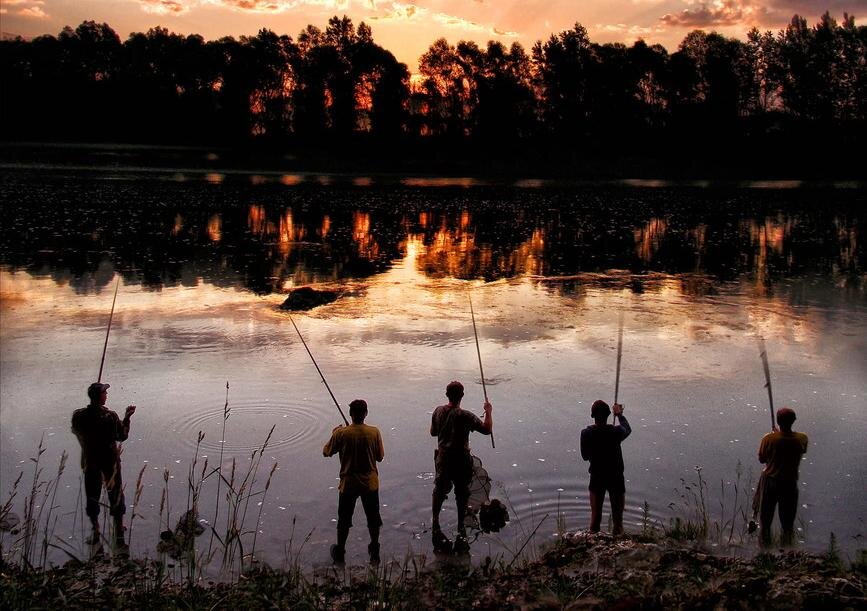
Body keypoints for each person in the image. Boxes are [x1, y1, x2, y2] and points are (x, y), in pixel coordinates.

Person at [71, 382, 136, 547]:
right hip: (109, 462)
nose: (107, 395)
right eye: (104, 393)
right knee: (115, 493)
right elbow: (122, 436)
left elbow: (76, 430)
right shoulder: (110, 416)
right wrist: (127, 417)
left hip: (90, 461)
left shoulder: (78, 415)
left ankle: (96, 529)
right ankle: (119, 528)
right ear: (99, 396)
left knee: (92, 494)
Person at [430, 380, 492, 552]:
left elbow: (433, 432)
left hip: (443, 458)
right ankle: (460, 525)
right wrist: (488, 412)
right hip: (461, 459)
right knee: (461, 492)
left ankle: (435, 521)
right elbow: (487, 429)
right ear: (462, 395)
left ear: (446, 395)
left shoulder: (438, 411)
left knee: (439, 489)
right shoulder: (465, 416)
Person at [323, 399, 385, 564]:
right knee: (373, 518)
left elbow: (326, 451)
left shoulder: (341, 434)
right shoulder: (374, 432)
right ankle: (374, 549)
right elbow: (380, 457)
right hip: (370, 483)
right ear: (366, 413)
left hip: (348, 484)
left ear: (350, 414)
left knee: (343, 519)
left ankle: (340, 551)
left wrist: (335, 433)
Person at [757, 407, 808, 547]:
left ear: (778, 421)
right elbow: (795, 446)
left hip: (771, 482)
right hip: (790, 484)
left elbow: (762, 459)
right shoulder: (802, 438)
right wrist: (779, 435)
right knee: (787, 523)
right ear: (794, 421)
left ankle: (765, 552)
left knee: (765, 521)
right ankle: (787, 552)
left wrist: (775, 435)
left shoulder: (768, 439)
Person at [580, 400, 631, 534]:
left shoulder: (586, 433)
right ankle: (617, 548)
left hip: (597, 477)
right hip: (616, 478)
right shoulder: (616, 431)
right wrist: (619, 414)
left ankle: (593, 548)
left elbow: (585, 456)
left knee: (595, 518)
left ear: (593, 416)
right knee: (618, 521)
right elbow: (627, 428)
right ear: (609, 414)